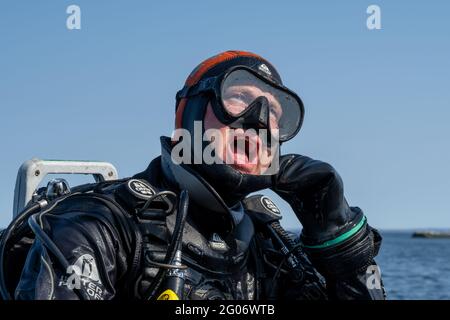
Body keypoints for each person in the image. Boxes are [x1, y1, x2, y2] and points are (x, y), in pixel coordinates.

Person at [1, 50, 385, 300]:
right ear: (189, 115)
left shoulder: (269, 248)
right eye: (239, 97)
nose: (258, 123)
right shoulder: (99, 224)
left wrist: (340, 241)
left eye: (274, 114)